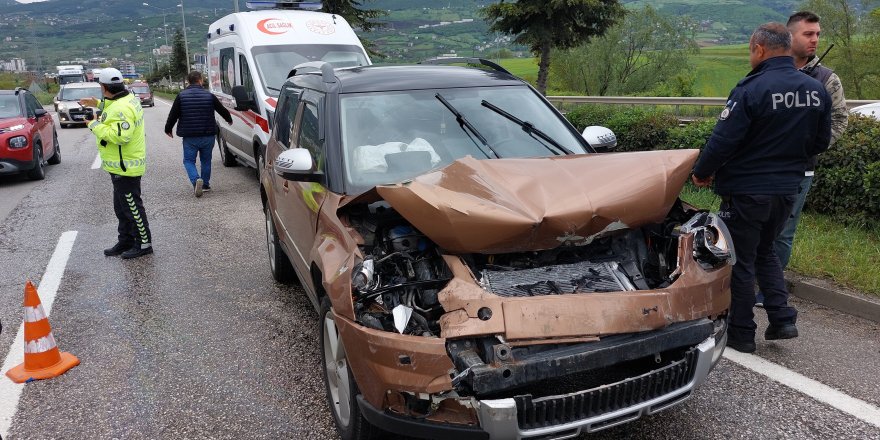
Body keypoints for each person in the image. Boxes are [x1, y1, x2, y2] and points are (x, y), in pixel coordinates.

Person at [691, 23, 832, 353]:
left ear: (759, 49)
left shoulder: (750, 89)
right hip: (787, 189)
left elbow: (723, 141)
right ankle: (782, 318)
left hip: (747, 191)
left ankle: (741, 334)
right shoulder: (816, 90)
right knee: (766, 250)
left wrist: (701, 172)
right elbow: (821, 141)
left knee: (740, 259)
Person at [754, 11, 849, 307]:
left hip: (799, 171)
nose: (815, 40)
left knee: (782, 232)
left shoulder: (826, 78)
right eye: (809, 34)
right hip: (758, 168)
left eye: (818, 34)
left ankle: (769, 290)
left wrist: (809, 147)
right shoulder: (764, 71)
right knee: (752, 227)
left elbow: (840, 120)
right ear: (789, 35)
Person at [80, 68, 153, 259]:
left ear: (103, 87)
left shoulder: (121, 108)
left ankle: (143, 243)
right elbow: (112, 107)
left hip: (126, 166)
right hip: (119, 165)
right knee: (121, 209)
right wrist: (96, 103)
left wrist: (93, 124)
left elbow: (120, 136)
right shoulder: (126, 99)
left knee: (132, 208)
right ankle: (126, 240)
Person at [164, 70, 233, 197]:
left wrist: (168, 129)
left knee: (189, 161)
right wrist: (229, 120)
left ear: (188, 82)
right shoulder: (209, 96)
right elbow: (222, 110)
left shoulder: (181, 96)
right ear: (200, 80)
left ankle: (196, 180)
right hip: (208, 135)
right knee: (206, 160)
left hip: (190, 137)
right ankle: (205, 185)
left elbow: (173, 115)